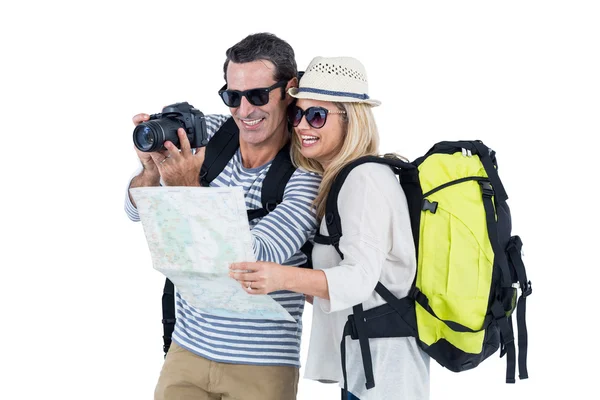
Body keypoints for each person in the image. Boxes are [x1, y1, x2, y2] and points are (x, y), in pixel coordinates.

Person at [124, 33, 321, 400]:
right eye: (233, 97)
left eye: (258, 96)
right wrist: (150, 172)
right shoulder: (211, 135)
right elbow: (135, 210)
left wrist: (186, 188)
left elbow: (254, 261)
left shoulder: (305, 175)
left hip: (261, 365)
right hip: (186, 350)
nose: (245, 111)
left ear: (289, 88)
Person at [230, 56, 430, 400]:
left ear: (351, 119)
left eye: (317, 115)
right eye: (297, 114)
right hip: (365, 365)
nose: (302, 126)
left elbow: (357, 280)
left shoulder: (364, 180)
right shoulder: (341, 181)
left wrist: (281, 277)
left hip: (385, 374)